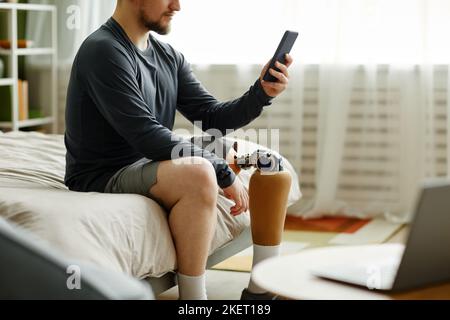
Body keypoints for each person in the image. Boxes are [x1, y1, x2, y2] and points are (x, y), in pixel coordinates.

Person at [65, 0, 293, 300]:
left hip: (148, 159)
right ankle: (193, 300)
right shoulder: (103, 50)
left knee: (269, 162)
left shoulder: (167, 55)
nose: (178, 6)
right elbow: (146, 134)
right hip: (105, 173)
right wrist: (221, 171)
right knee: (200, 171)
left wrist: (261, 92)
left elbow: (212, 118)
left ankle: (261, 291)